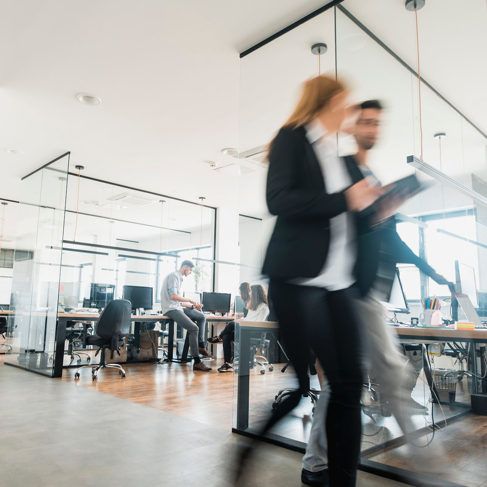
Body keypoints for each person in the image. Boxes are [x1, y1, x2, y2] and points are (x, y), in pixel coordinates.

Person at [236, 75, 384, 487]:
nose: (350, 112)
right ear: (330, 101)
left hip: (338, 286)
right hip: (299, 281)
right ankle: (248, 449)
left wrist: (376, 210)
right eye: (346, 103)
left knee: (348, 385)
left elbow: (345, 218)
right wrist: (345, 199)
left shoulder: (334, 156)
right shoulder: (292, 138)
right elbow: (278, 200)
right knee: (304, 386)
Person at [301, 100, 454, 487]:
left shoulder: (368, 173)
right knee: (390, 370)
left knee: (346, 382)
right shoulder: (348, 169)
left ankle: (315, 461)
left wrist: (434, 273)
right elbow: (344, 222)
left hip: (366, 293)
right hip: (351, 290)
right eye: (366, 121)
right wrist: (380, 205)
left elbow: (397, 243)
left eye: (376, 122)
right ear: (354, 127)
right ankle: (431, 468)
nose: (372, 127)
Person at [160, 260, 212, 372]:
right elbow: (174, 296)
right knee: (193, 328)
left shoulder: (179, 278)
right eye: (190, 269)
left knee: (202, 317)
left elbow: (178, 302)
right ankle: (197, 361)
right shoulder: (174, 276)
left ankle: (201, 345)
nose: (190, 272)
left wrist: (192, 306)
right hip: (170, 309)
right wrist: (190, 299)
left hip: (177, 307)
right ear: (184, 267)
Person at [211, 283, 270, 373]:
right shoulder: (253, 306)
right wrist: (241, 320)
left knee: (231, 324)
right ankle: (228, 363)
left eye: (251, 292)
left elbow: (259, 323)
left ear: (256, 294)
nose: (249, 294)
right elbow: (248, 318)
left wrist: (241, 323)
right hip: (245, 329)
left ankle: (219, 337)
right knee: (226, 337)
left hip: (253, 331)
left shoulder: (264, 307)